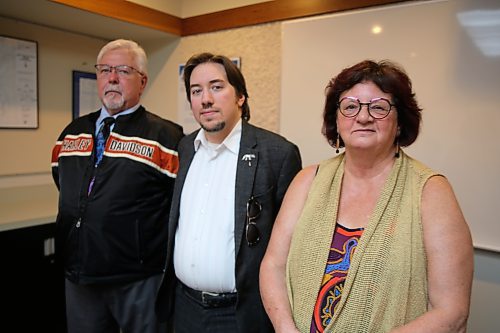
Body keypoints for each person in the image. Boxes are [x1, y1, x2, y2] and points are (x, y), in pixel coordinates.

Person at [259, 59, 474, 333]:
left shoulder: (431, 191)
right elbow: (273, 265)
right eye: (350, 106)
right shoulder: (307, 180)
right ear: (335, 121)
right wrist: (285, 328)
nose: (363, 117)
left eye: (378, 107)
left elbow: (452, 312)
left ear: (400, 123)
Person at [155, 52, 302, 332]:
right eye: (196, 91)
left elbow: (293, 248)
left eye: (217, 87)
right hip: (183, 306)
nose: (205, 98)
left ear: (240, 97)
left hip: (240, 314)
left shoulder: (278, 154)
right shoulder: (184, 149)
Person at [51, 39, 184, 333]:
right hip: (80, 276)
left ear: (142, 81)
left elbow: (178, 205)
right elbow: (64, 183)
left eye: (123, 70)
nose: (112, 78)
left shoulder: (166, 136)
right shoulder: (71, 133)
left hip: (138, 279)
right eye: (105, 70)